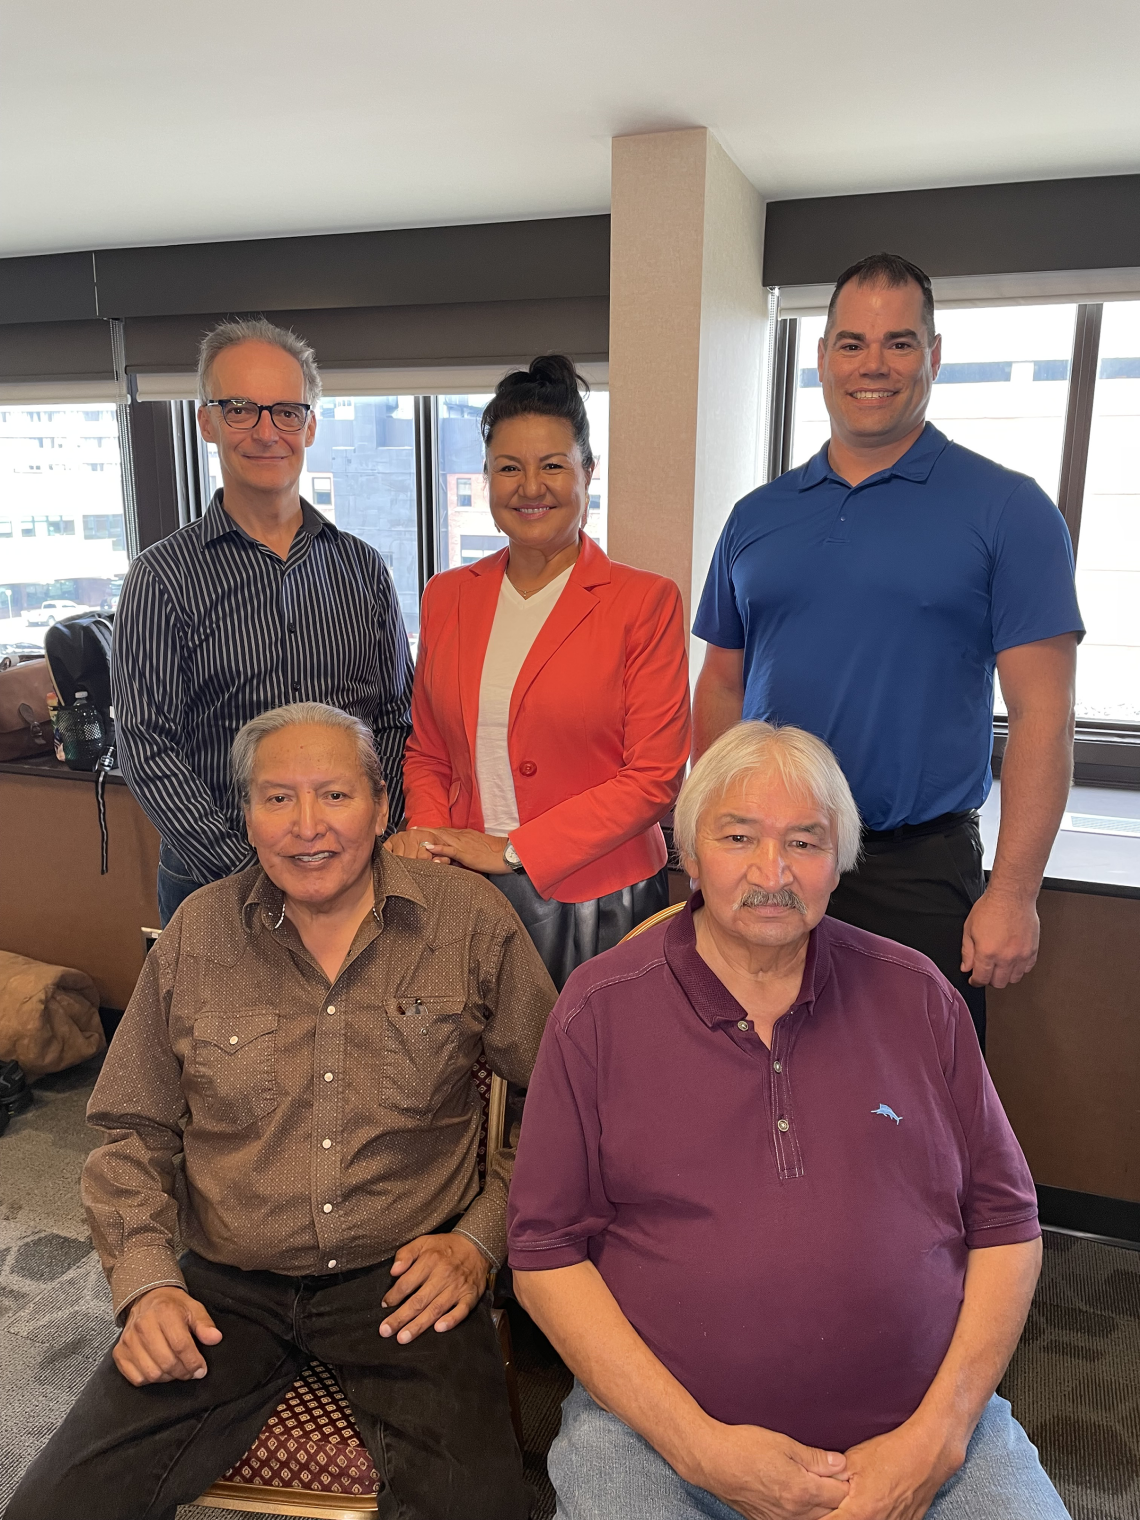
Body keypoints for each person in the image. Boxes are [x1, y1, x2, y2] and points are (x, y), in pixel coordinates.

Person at [6, 703, 555, 1520]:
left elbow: (561, 1109)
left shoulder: (468, 922)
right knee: (58, 1503)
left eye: (334, 795)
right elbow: (132, 1130)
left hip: (405, 1277)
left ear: (379, 805)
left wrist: (479, 1241)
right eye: (277, 798)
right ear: (248, 815)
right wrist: (147, 1285)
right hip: (225, 1283)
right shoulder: (197, 934)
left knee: (475, 1503)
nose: (308, 827)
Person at [508, 721, 1069, 1520]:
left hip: (926, 1430)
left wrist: (936, 1439)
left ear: (840, 861)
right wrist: (700, 1447)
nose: (772, 873)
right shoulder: (597, 1013)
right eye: (739, 837)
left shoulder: (918, 996)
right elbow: (544, 1254)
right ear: (690, 854)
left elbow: (1009, 1223)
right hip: (658, 1439)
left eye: (805, 842)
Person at [692, 253, 1084, 1046]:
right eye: (852, 343)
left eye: (899, 343)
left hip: (917, 867)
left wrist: (1013, 893)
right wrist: (712, 840)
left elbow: (1045, 714)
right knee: (755, 1071)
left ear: (934, 357)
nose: (874, 365)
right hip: (772, 857)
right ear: (823, 356)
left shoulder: (1008, 509)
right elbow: (722, 686)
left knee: (915, 1103)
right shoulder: (756, 515)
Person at [387, 355, 691, 988]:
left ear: (588, 471)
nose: (532, 487)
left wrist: (512, 849)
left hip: (599, 898)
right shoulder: (448, 596)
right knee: (473, 1081)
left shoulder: (643, 601)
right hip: (464, 889)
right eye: (509, 468)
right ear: (487, 478)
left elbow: (655, 777)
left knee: (591, 1077)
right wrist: (430, 837)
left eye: (553, 465)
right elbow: (428, 750)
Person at [113, 317, 414, 926]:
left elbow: (394, 722)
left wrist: (366, 849)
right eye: (240, 409)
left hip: (351, 872)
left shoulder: (362, 568)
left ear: (309, 424)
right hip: (216, 879)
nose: (265, 431)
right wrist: (250, 874)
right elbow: (147, 745)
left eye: (284, 411)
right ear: (206, 422)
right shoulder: (161, 577)